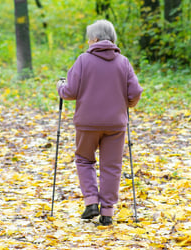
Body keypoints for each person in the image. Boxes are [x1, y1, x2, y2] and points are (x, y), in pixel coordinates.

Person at [57, 20, 143, 226]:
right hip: (115, 124)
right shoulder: (123, 62)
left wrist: (60, 86)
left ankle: (91, 201)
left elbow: (69, 92)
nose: (88, 42)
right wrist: (127, 105)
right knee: (111, 167)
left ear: (95, 39)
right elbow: (135, 92)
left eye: (89, 38)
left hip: (87, 123)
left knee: (84, 160)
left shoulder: (83, 61)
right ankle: (107, 212)